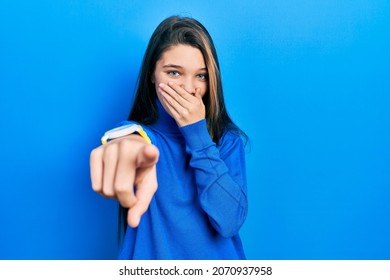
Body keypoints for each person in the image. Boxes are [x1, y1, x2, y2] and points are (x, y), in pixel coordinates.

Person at [90, 15, 248, 260]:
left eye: (201, 76)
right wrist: (127, 147)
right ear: (152, 74)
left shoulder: (228, 141)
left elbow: (229, 222)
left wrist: (197, 134)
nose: (189, 88)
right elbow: (129, 140)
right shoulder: (139, 135)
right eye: (174, 73)